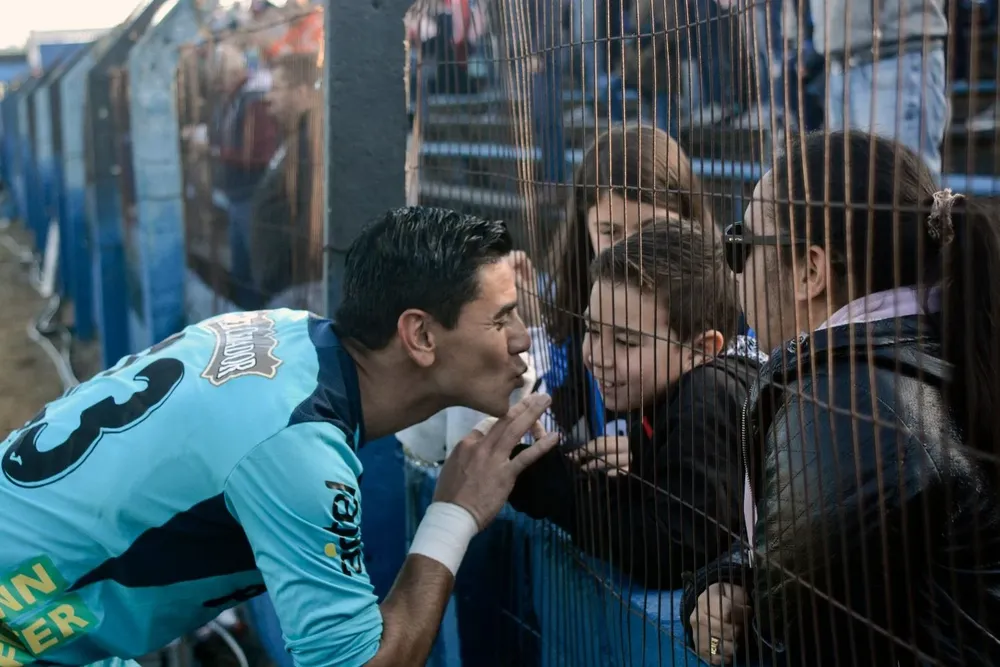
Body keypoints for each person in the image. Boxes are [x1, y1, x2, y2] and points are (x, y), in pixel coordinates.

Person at [0, 206, 559, 667]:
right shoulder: (296, 448)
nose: (520, 338)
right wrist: (454, 514)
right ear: (420, 335)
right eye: (500, 319)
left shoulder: (282, 330)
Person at [683, 131, 1000, 666]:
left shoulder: (846, 409)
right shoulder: (929, 347)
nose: (732, 265)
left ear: (810, 271)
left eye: (742, 243)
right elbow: (815, 556)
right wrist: (725, 580)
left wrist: (714, 643)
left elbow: (773, 651)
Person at [509, 218, 758, 588]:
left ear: (702, 349)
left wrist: (561, 492)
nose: (598, 356)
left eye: (626, 342)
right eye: (592, 330)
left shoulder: (704, 401)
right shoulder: (669, 390)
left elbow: (673, 551)